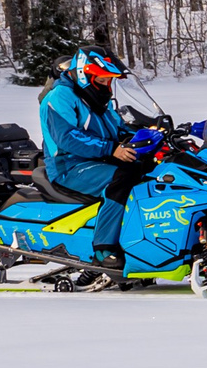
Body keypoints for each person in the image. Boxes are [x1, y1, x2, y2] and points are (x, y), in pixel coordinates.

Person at [39, 47, 154, 273]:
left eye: (109, 79)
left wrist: (146, 134)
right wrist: (111, 149)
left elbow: (118, 127)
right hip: (69, 166)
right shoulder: (60, 97)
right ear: (84, 74)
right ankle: (104, 247)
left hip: (95, 159)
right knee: (123, 177)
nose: (106, 83)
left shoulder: (97, 97)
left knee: (147, 169)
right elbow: (67, 138)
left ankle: (141, 242)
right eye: (102, 78)